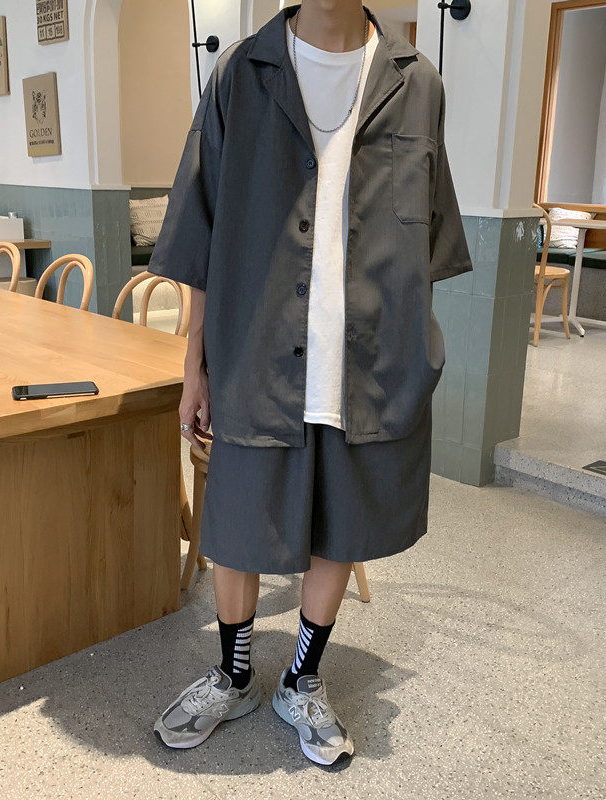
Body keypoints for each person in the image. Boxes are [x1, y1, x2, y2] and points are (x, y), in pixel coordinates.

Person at [148, 0, 472, 767]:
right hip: (255, 351)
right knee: (236, 519)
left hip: (368, 360)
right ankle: (233, 675)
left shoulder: (418, 84)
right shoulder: (240, 73)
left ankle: (302, 677)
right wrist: (194, 363)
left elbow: (429, 234)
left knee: (342, 522)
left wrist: (417, 347)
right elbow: (199, 228)